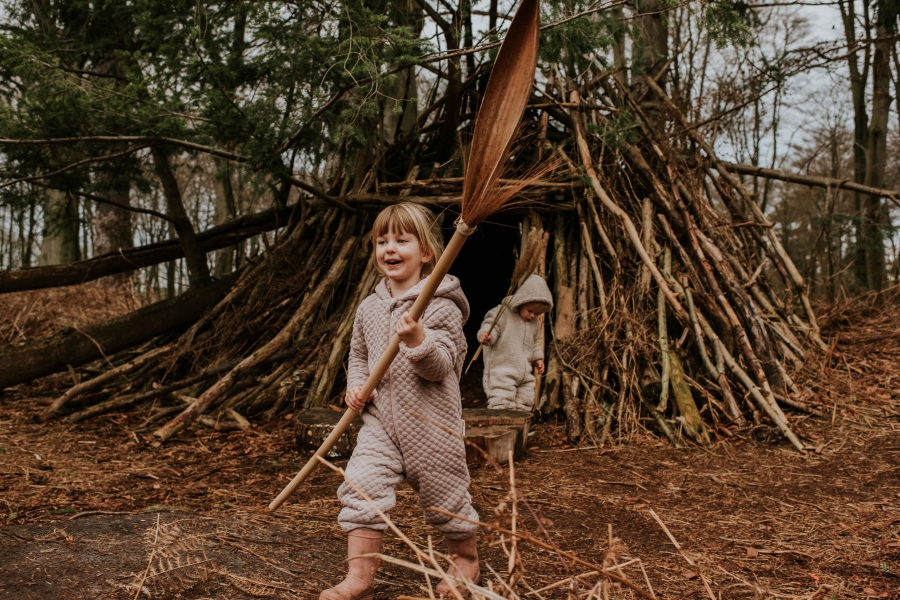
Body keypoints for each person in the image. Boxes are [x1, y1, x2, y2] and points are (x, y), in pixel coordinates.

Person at [321, 203, 480, 600]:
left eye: (401, 240)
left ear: (426, 252)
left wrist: (417, 341)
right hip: (381, 427)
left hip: (431, 426)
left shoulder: (441, 305)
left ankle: (465, 560)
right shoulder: (369, 308)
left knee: (448, 502)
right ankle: (359, 577)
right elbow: (358, 356)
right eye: (381, 240)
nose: (389, 248)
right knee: (361, 488)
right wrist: (357, 386)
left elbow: (442, 367)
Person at [477, 275, 553, 411]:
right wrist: (487, 335)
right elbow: (490, 325)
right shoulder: (502, 313)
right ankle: (501, 430)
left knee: (525, 404)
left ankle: (519, 431)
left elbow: (535, 342)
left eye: (537, 313)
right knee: (502, 404)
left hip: (524, 374)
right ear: (520, 302)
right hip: (502, 371)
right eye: (530, 311)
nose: (532, 315)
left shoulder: (535, 323)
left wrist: (538, 358)